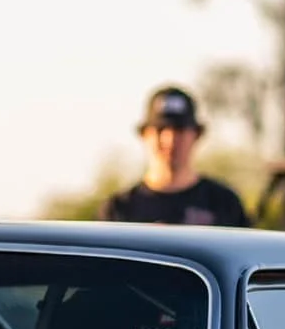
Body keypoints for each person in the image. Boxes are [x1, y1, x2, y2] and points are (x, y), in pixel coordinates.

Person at [98, 86, 249, 227]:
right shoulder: (119, 210)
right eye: (160, 129)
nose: (169, 140)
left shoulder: (224, 204)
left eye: (179, 130)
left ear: (197, 135)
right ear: (144, 134)